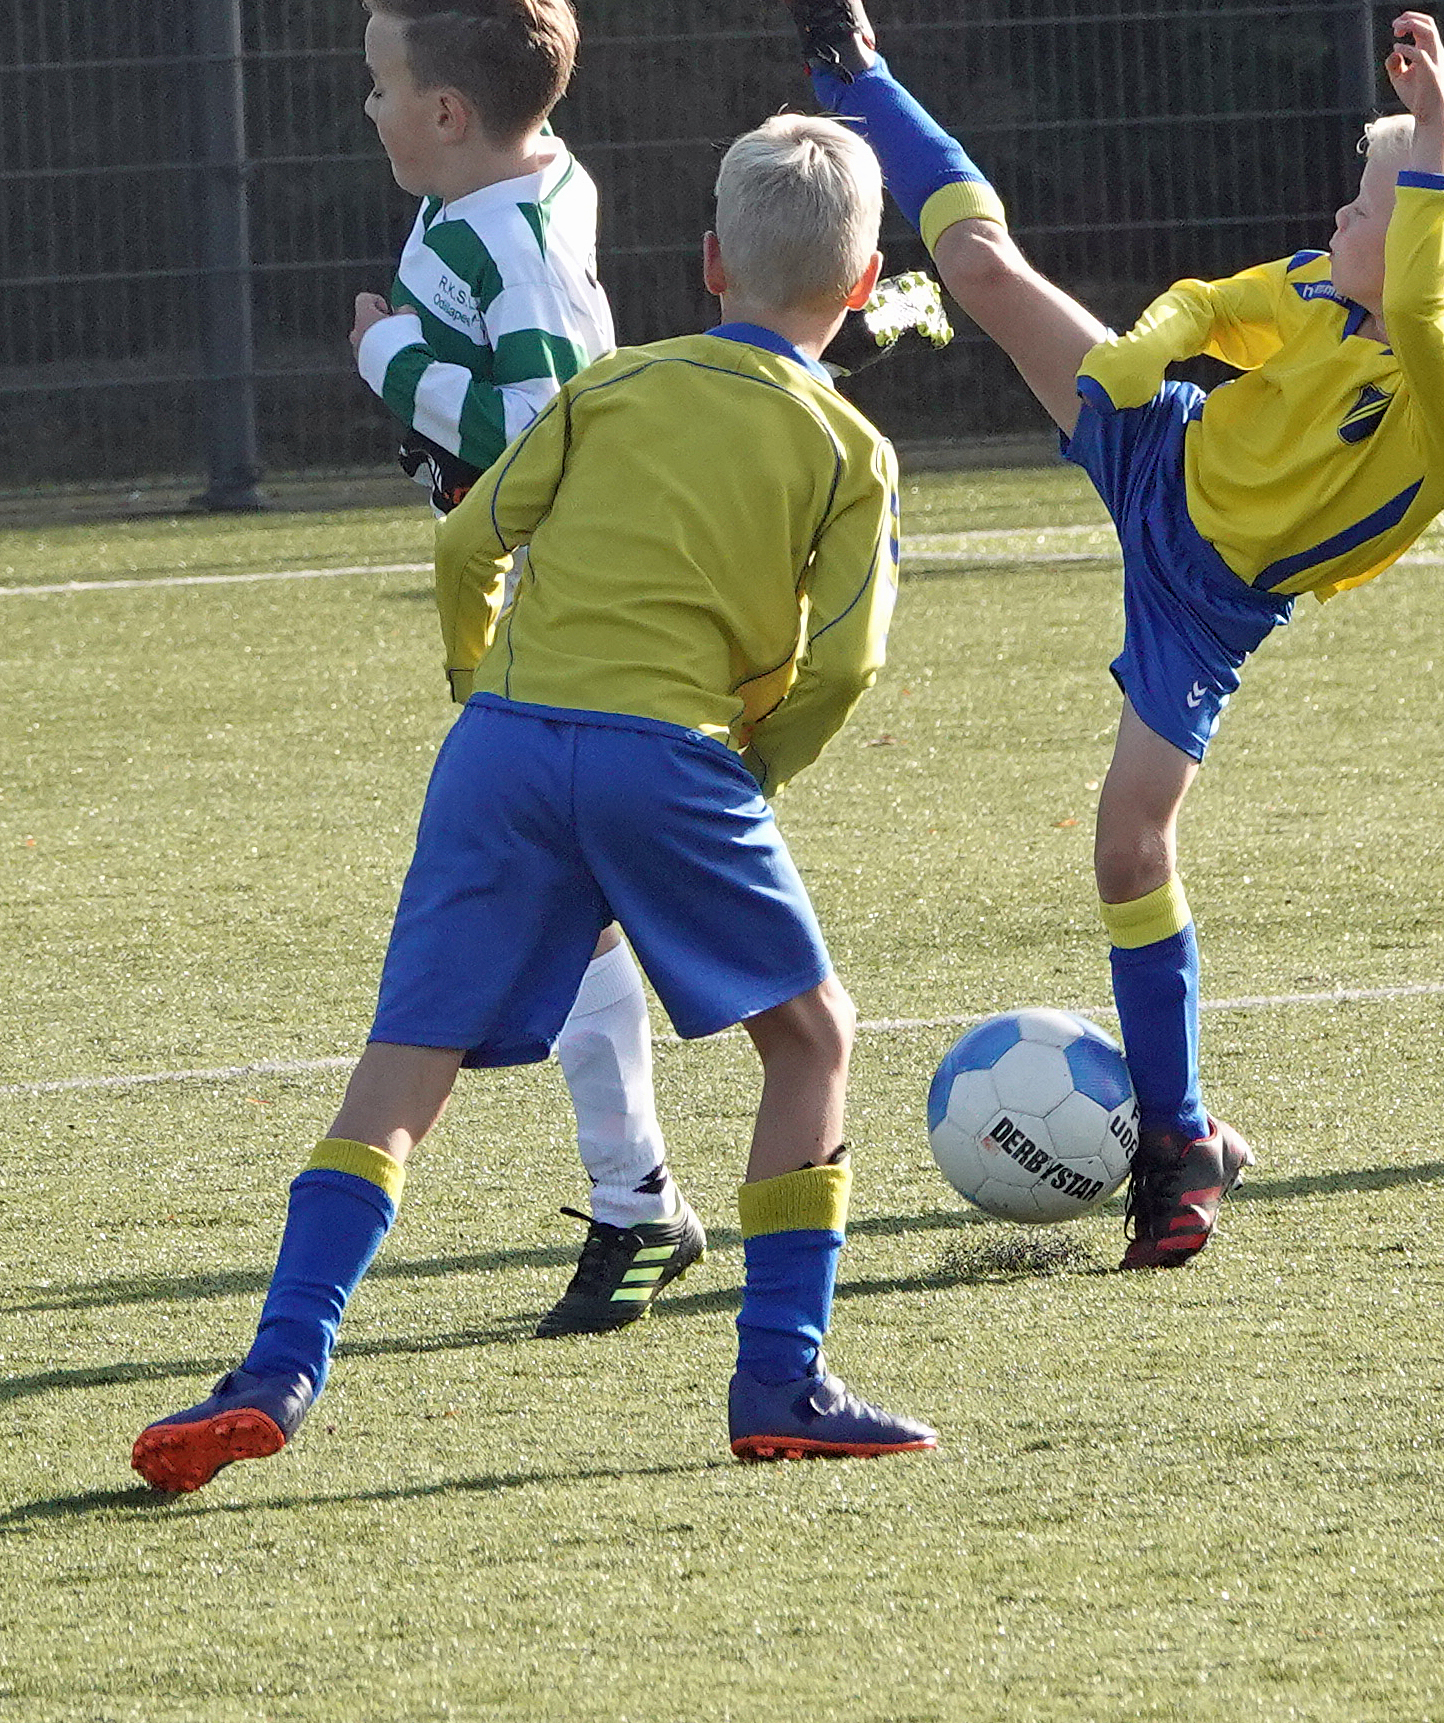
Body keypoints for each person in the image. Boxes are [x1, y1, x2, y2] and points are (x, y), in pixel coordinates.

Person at [131, 111, 937, 1491]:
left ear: (707, 265)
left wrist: (479, 683)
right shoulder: (850, 448)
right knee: (811, 1040)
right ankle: (780, 1377)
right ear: (863, 289)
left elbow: (468, 542)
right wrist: (751, 772)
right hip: (668, 755)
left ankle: (276, 1365)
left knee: (401, 1072)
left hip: (500, 748)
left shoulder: (611, 387)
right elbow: (848, 663)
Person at [766, 0, 1444, 1273]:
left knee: (1126, 845)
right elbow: (1208, 307)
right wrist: (1136, 360)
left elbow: (1424, 322)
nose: (1339, 217)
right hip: (1160, 452)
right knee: (981, 273)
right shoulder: (1324, 286)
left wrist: (1429, 136)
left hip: (1209, 605)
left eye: (1366, 205)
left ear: (1431, 245)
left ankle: (1178, 1140)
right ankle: (858, 69)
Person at [349, 0, 701, 1338]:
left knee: (577, 899)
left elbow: (536, 427)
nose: (362, 107)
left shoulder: (509, 234)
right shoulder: (510, 186)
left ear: (446, 111)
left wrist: (384, 357)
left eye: (379, 84)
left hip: (570, 600)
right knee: (584, 901)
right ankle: (636, 1198)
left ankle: (639, 1200)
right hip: (535, 588)